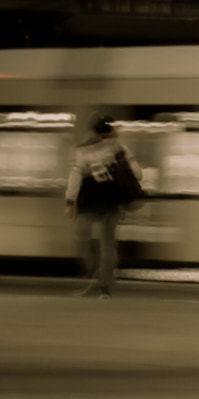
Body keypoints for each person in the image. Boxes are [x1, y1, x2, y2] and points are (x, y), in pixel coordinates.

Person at [66, 116, 142, 298]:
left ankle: (92, 269)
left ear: (93, 131)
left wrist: (70, 200)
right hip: (111, 203)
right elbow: (138, 174)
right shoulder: (120, 149)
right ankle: (105, 287)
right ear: (110, 131)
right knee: (108, 245)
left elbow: (75, 176)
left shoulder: (83, 151)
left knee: (82, 240)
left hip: (88, 204)